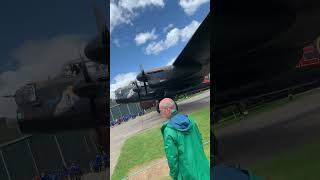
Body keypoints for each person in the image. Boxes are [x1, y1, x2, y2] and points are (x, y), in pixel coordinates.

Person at [159, 98, 210, 180]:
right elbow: (200, 141)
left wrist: (174, 175)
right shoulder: (191, 121)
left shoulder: (169, 130)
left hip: (187, 173)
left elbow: (172, 157)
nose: (160, 113)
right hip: (203, 168)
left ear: (167, 110)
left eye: (160, 110)